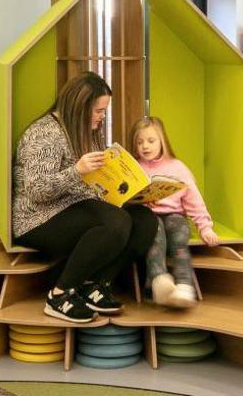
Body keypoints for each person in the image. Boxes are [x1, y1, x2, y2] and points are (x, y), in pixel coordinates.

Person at [12, 72, 157, 324]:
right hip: (37, 218)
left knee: (145, 219)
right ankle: (59, 295)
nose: (102, 117)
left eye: (103, 111)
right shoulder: (44, 133)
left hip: (75, 207)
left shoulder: (83, 130)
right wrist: (77, 170)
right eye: (98, 111)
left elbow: (90, 186)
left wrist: (130, 194)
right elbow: (36, 190)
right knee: (115, 221)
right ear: (80, 107)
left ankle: (96, 285)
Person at [129, 116, 220, 307]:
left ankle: (184, 286)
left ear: (162, 141)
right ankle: (159, 281)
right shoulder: (134, 168)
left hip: (174, 215)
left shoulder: (178, 167)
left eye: (151, 141)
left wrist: (205, 227)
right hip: (148, 218)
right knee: (155, 237)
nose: (145, 146)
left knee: (179, 238)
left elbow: (194, 201)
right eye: (140, 142)